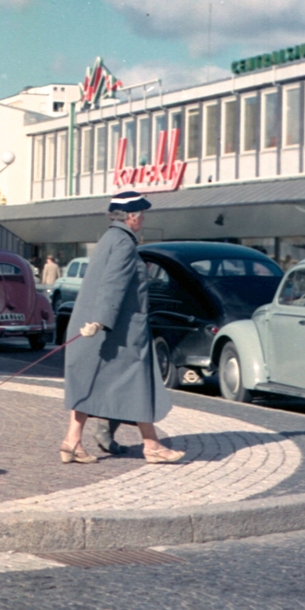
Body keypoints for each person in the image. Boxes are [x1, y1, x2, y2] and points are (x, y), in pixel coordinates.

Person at [60, 192, 181, 464]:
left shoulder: (108, 239)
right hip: (120, 333)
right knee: (138, 383)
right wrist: (101, 319)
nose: (143, 220)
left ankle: (72, 441)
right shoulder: (124, 243)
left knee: (89, 382)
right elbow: (112, 284)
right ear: (132, 217)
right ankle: (152, 445)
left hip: (100, 330)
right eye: (142, 215)